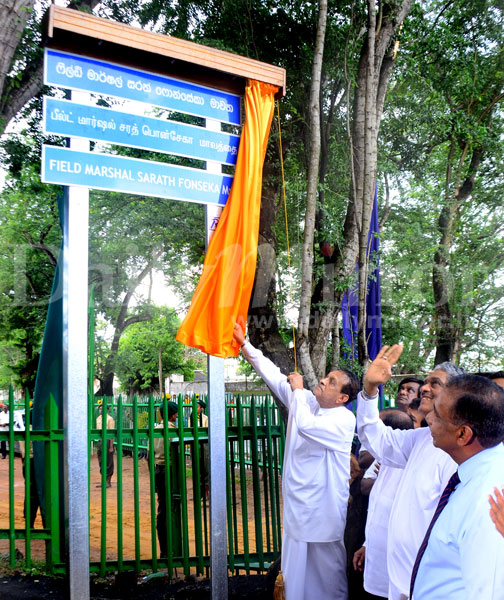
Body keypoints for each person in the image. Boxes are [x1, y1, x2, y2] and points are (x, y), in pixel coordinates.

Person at [233, 323, 360, 600]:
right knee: (295, 573)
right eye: (327, 377)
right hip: (298, 507)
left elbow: (305, 425)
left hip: (324, 512)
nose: (324, 381)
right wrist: (245, 345)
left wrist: (298, 390)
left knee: (327, 575)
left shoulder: (343, 419)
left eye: (332, 382)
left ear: (342, 398)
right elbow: (272, 374)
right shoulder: (306, 402)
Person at [356, 346, 463, 600]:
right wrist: (370, 390)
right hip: (401, 578)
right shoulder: (421, 439)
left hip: (432, 582)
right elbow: (375, 438)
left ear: (457, 395)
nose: (424, 388)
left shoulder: (462, 448)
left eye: (434, 383)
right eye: (425, 382)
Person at [411, 375, 504, 599]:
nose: (429, 419)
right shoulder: (474, 476)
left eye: (438, 414)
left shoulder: (489, 501)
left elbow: (487, 593)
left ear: (463, 434)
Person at [353, 409, 414, 600]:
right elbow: (372, 498)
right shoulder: (383, 459)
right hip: (375, 555)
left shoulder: (415, 463)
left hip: (401, 560)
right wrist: (367, 544)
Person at [152, 401, 180, 558]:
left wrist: (154, 475)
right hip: (171, 471)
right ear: (171, 415)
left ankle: (164, 549)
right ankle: (175, 547)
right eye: (175, 413)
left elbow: (150, 456)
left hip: (159, 471)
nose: (177, 416)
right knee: (174, 508)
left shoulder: (155, 430)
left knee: (162, 508)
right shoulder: (174, 431)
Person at [189, 396, 209, 499]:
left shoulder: (205, 418)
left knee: (205, 468)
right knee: (196, 469)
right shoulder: (191, 418)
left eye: (197, 407)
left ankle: (206, 494)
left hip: (203, 445)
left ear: (202, 409)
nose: (195, 409)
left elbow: (205, 432)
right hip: (194, 444)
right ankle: (198, 493)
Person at [96, 404, 115, 488]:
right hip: (100, 441)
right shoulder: (98, 419)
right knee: (101, 461)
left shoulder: (110, 419)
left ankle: (108, 482)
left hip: (107, 441)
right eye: (100, 409)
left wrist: (111, 446)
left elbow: (111, 434)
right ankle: (103, 481)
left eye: (102, 409)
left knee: (108, 462)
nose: (101, 411)